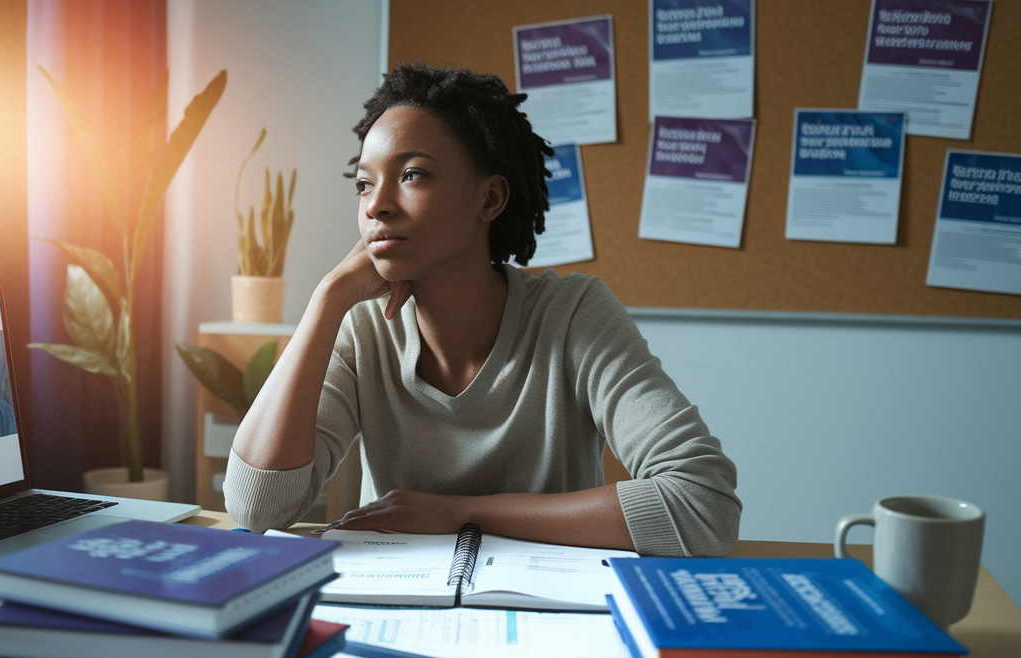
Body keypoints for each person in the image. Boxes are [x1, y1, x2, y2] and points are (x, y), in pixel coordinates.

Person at [225, 63, 740, 556]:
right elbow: (256, 509)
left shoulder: (572, 314)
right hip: (394, 608)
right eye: (364, 183)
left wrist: (464, 513)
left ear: (489, 199)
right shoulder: (361, 327)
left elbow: (703, 504)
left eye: (412, 175)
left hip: (549, 614)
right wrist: (328, 298)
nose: (376, 205)